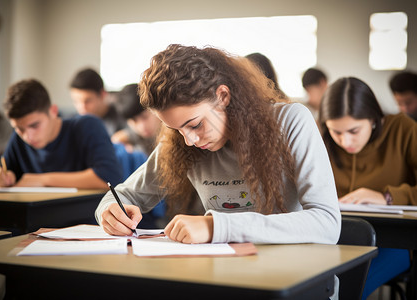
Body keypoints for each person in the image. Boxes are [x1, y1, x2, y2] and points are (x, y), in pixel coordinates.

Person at [96, 44, 340, 262]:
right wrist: (109, 212)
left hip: (293, 275)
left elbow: (327, 223)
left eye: (195, 124)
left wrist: (217, 227)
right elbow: (123, 196)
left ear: (222, 96)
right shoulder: (181, 145)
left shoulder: (290, 121)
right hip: (223, 276)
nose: (189, 140)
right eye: (176, 129)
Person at [319, 76, 416, 299]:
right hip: (332, 240)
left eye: (354, 131)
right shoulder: (321, 139)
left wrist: (388, 197)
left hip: (391, 243)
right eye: (336, 132)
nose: (345, 142)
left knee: (344, 289)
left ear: (373, 119)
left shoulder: (402, 129)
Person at [0, 79, 123, 188]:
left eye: (35, 125)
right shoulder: (18, 139)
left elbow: (110, 177)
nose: (27, 136)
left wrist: (43, 180)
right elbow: (5, 172)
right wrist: (4, 178)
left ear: (53, 111)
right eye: (19, 128)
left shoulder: (87, 126)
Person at [69, 68, 127, 136]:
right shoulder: (72, 123)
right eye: (76, 101)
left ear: (102, 95)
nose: (81, 108)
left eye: (87, 101)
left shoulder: (122, 122)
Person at [112, 83, 161, 155]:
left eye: (145, 117)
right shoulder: (132, 136)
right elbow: (117, 139)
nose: (142, 126)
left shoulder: (176, 128)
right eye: (134, 121)